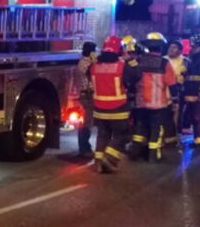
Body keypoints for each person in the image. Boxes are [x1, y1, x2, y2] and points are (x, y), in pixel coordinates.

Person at [91, 36, 138, 173]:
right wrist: (130, 59)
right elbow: (137, 76)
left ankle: (99, 162)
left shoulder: (94, 66)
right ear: (119, 50)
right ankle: (110, 158)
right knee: (121, 135)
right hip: (118, 109)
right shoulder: (122, 67)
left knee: (103, 135)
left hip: (99, 109)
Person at [129, 33, 177, 162]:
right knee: (156, 129)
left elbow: (132, 81)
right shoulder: (165, 63)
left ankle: (135, 152)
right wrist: (175, 101)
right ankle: (153, 156)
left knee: (140, 127)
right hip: (158, 104)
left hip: (141, 102)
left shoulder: (139, 61)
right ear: (161, 48)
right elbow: (172, 84)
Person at [165, 40, 189, 147]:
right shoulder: (163, 60)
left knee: (176, 113)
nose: (171, 49)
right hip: (163, 89)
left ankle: (176, 135)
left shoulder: (185, 61)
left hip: (178, 89)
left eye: (174, 47)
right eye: (170, 47)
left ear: (180, 50)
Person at [75, 41, 97, 157]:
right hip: (87, 96)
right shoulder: (84, 63)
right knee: (86, 123)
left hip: (90, 95)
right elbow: (91, 72)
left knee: (89, 122)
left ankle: (84, 147)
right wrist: (95, 61)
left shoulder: (88, 61)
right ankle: (84, 148)